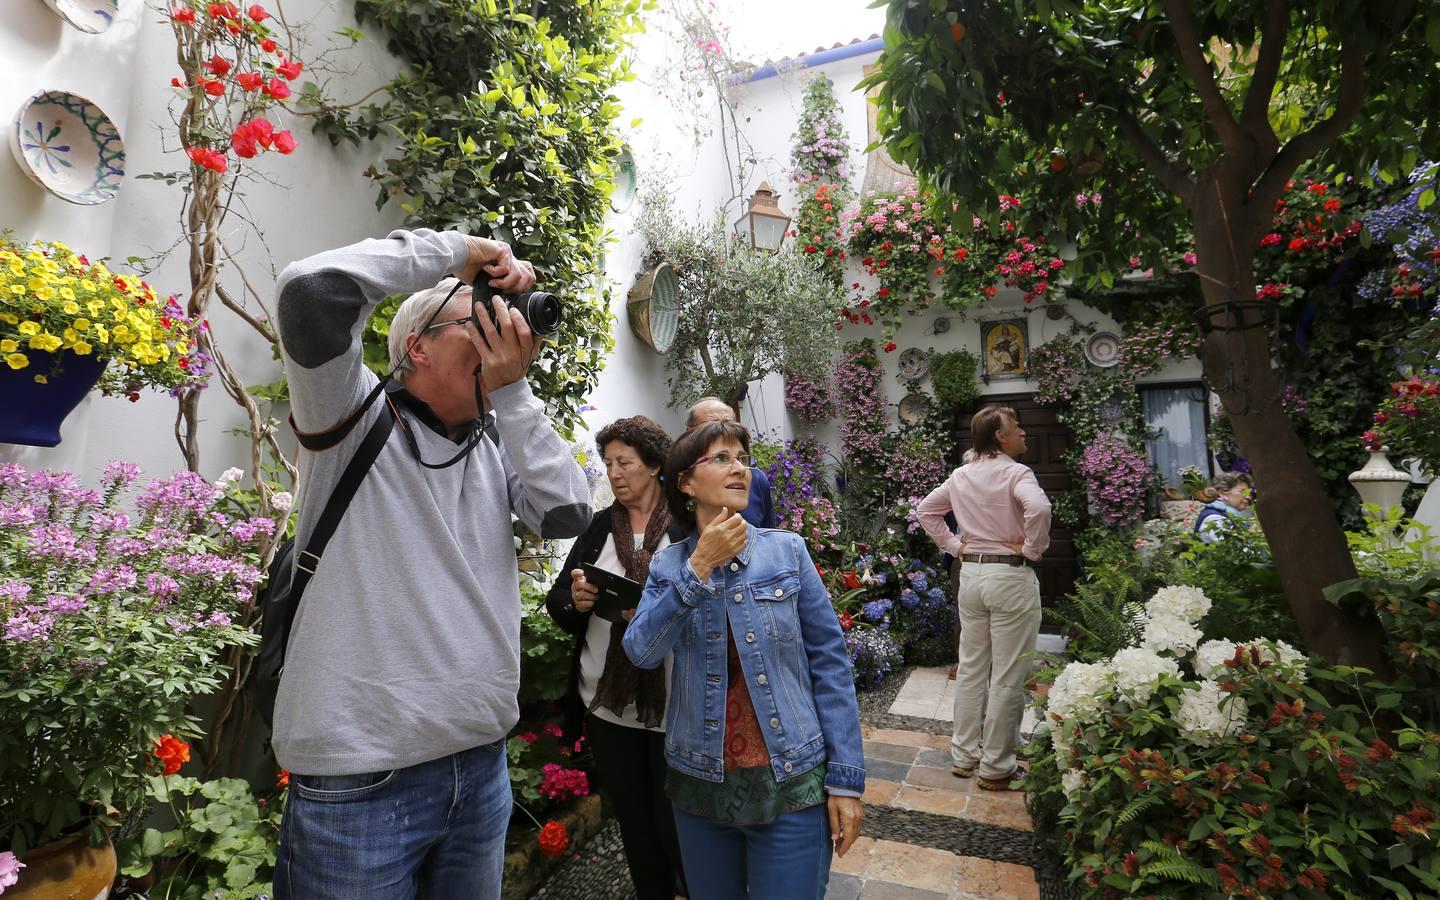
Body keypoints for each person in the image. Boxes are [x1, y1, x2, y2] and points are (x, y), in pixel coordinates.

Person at [272, 229, 592, 899]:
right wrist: (462, 255)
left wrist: (514, 396)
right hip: (359, 782)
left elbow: (568, 517)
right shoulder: (350, 416)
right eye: (478, 323)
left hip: (478, 769)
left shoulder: (494, 444)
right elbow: (310, 290)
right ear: (416, 346)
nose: (502, 335)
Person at [622, 420, 865, 900]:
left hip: (790, 781)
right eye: (722, 458)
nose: (740, 469)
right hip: (699, 787)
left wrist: (846, 782)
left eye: (743, 458)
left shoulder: (787, 553)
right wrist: (699, 567)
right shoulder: (669, 566)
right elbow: (641, 652)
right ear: (686, 484)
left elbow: (831, 666)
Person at [545, 416, 687, 900]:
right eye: (608, 464)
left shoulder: (689, 525)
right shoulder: (598, 527)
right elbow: (560, 595)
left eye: (625, 462)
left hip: (675, 706)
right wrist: (577, 600)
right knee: (633, 818)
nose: (615, 473)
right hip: (607, 704)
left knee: (677, 819)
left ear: (654, 465)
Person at [914, 406, 1051, 792]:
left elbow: (926, 511)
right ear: (1000, 437)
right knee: (1008, 674)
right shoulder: (1016, 472)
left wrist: (956, 547)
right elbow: (1039, 507)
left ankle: (964, 756)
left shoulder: (961, 474)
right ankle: (996, 767)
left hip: (971, 574)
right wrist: (1033, 548)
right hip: (1008, 574)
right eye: (1016, 427)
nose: (1023, 431)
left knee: (972, 668)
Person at [684, 397, 776, 528]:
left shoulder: (755, 478)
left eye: (729, 424)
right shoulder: (678, 479)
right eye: (711, 425)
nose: (723, 430)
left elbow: (769, 534)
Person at [1193, 471, 1254, 543]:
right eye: (1243, 492)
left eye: (1249, 493)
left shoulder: (1230, 515)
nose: (1248, 497)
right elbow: (1228, 550)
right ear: (1222, 492)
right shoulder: (1214, 518)